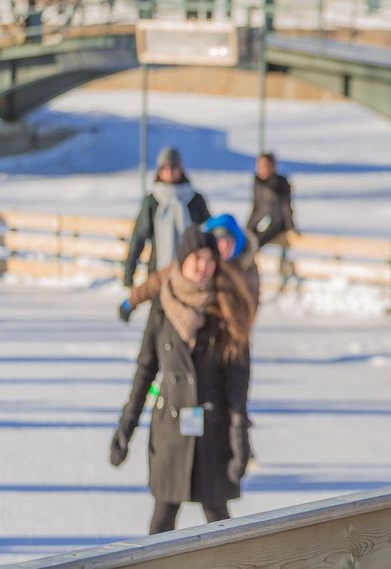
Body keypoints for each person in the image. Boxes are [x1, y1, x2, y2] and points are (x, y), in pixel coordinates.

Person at [109, 227, 253, 534]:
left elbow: (237, 386)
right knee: (162, 518)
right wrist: (126, 427)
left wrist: (239, 438)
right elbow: (145, 371)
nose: (203, 266)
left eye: (209, 259)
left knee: (220, 523)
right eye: (196, 258)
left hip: (212, 430)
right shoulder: (162, 307)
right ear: (182, 259)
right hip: (170, 429)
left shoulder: (227, 309)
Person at [120, 214, 259, 323]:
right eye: (219, 241)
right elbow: (159, 280)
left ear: (238, 241)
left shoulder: (245, 267)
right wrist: (132, 301)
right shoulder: (201, 262)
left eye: (228, 241)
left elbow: (251, 303)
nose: (223, 247)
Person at [123, 146, 211, 289]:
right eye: (164, 168)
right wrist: (129, 273)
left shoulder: (195, 200)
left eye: (173, 167)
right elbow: (138, 238)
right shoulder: (152, 201)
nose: (169, 171)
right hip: (158, 273)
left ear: (181, 169)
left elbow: (208, 235)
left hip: (191, 276)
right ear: (159, 171)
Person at [247, 152, 296, 249]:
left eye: (265, 166)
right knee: (246, 239)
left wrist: (290, 227)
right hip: (261, 222)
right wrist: (248, 228)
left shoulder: (280, 183)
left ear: (273, 167)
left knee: (255, 243)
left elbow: (286, 206)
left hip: (276, 224)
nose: (262, 169)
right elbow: (256, 208)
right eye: (259, 166)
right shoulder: (257, 183)